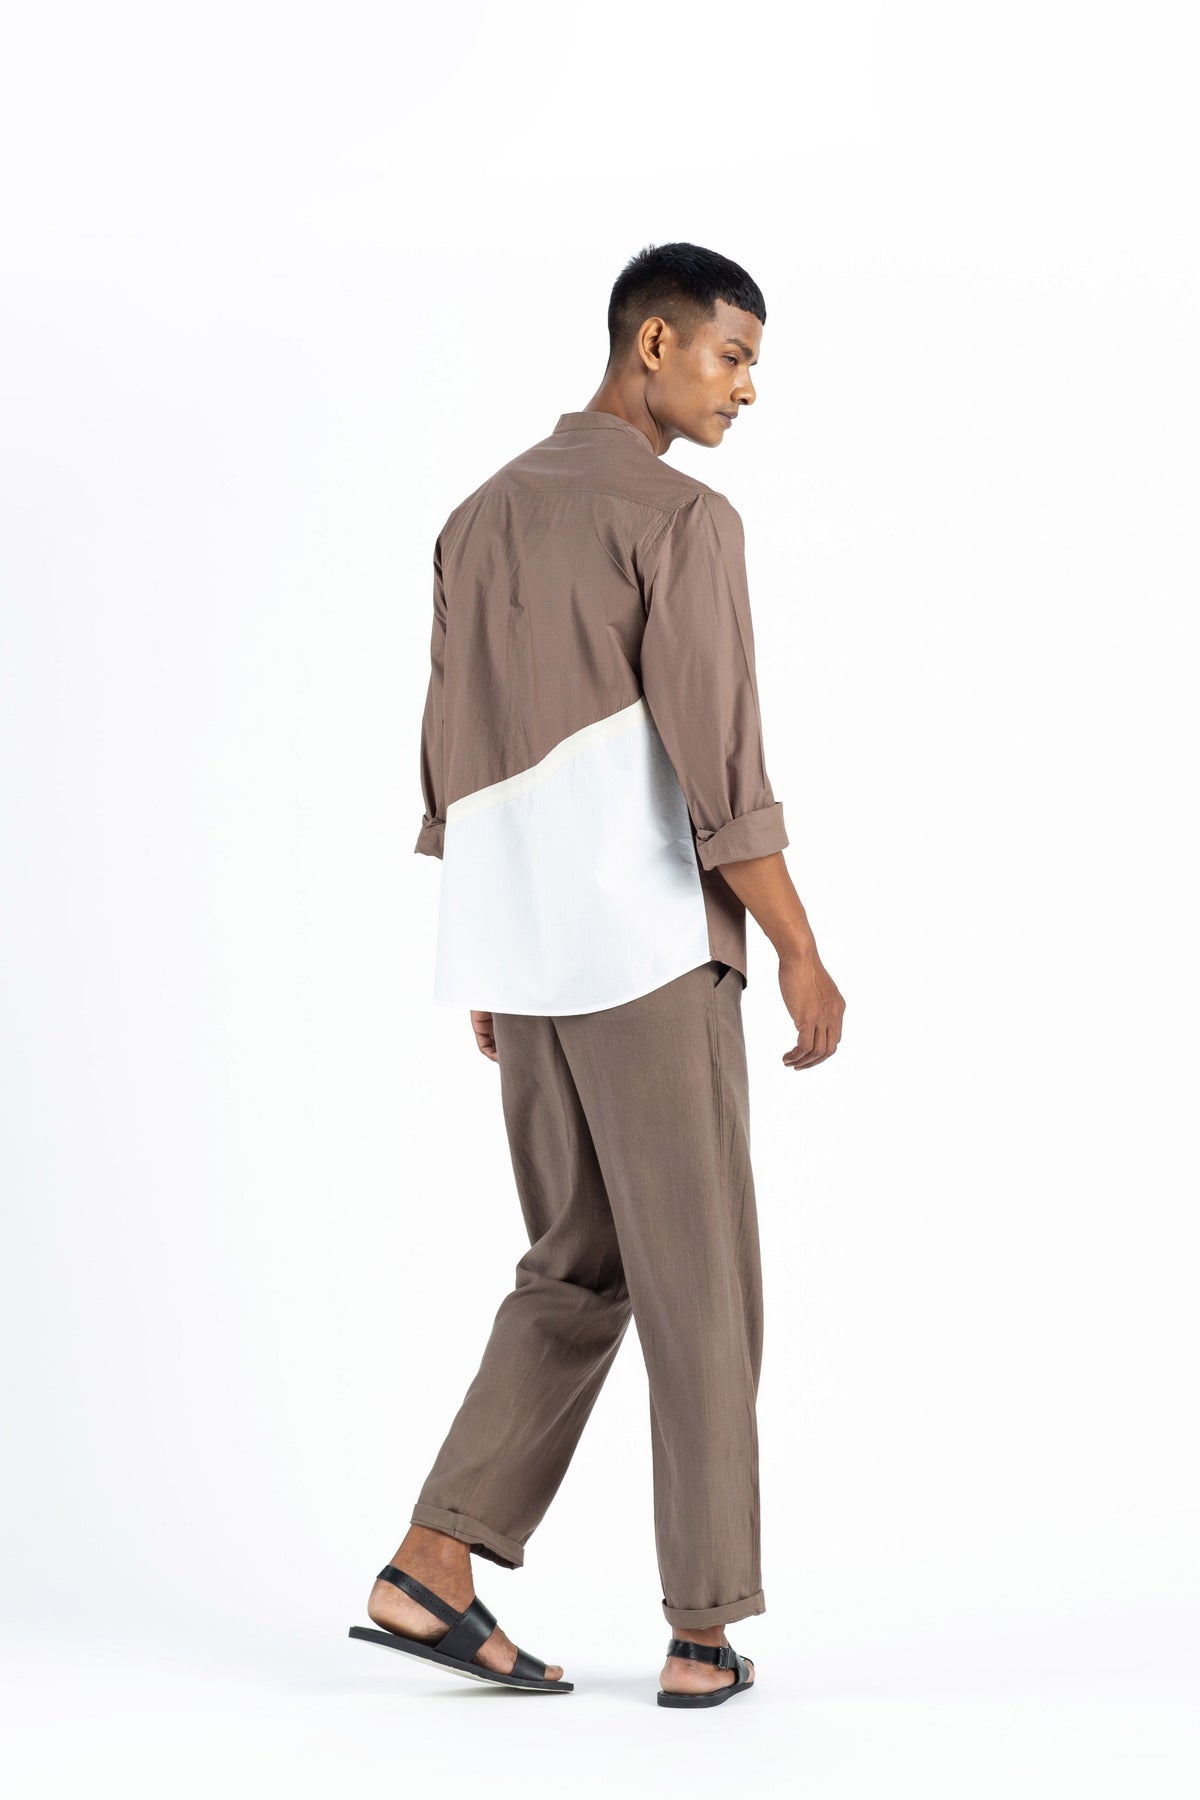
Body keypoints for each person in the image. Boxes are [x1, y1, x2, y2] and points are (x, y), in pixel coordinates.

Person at [349, 241, 845, 1707]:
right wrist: (801, 947)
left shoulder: (478, 515)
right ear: (653, 344)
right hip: (645, 949)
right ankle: (702, 1632)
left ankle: (432, 1563)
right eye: (731, 356)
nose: (745, 388)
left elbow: (451, 750)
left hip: (527, 955)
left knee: (579, 1264)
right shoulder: (683, 520)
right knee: (702, 1286)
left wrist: (491, 947)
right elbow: (721, 766)